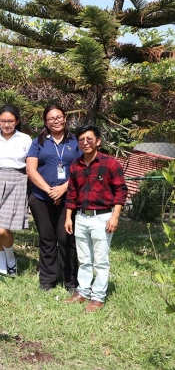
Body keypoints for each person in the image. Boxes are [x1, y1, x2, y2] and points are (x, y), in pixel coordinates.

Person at [64, 125, 128, 312]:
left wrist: (115, 217)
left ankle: (98, 297)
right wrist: (69, 217)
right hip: (81, 218)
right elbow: (71, 193)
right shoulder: (76, 165)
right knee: (83, 259)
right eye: (82, 139)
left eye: (89, 139)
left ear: (98, 141)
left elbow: (121, 191)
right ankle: (83, 292)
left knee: (100, 260)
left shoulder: (110, 163)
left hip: (102, 218)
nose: (85, 142)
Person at [26, 105, 81, 291]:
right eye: (51, 118)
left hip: (69, 198)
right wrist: (50, 190)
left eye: (59, 117)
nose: (55, 121)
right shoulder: (38, 142)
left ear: (65, 118)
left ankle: (71, 281)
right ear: (45, 122)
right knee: (47, 239)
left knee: (66, 238)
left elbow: (82, 168)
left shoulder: (75, 142)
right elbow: (31, 170)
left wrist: (63, 189)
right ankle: (48, 280)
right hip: (41, 197)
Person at [0, 104, 32, 275]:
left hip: (17, 181)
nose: (7, 124)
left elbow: (30, 164)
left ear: (17, 121)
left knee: (3, 228)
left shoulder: (25, 139)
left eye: (10, 121)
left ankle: (11, 259)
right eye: (3, 121)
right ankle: (3, 268)